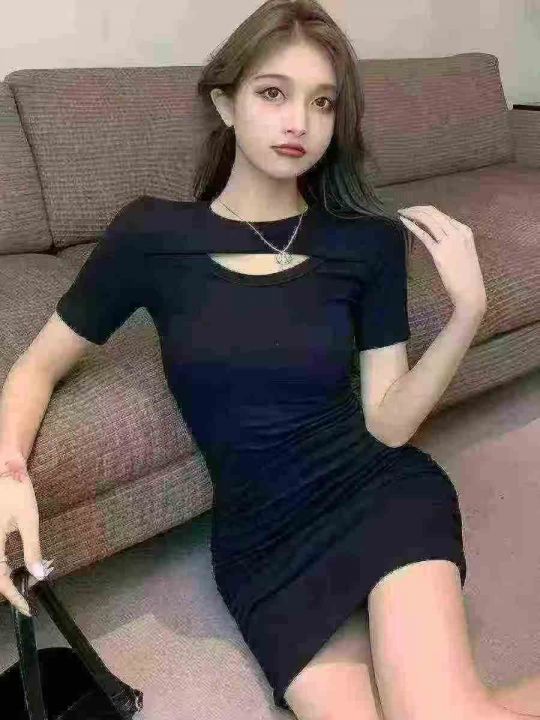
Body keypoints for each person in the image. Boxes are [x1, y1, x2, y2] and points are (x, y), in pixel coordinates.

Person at [1, 1, 537, 719]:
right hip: (263, 545)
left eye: (322, 103)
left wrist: (468, 313)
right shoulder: (150, 236)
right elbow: (35, 368)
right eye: (273, 93)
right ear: (226, 103)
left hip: (378, 494)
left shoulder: (365, 242)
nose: (299, 123)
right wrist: (8, 472)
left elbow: (386, 426)